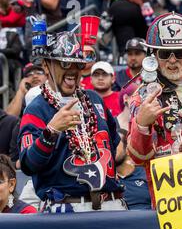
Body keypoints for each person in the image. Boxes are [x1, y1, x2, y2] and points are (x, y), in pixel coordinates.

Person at [19, 30, 126, 213]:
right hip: (66, 208)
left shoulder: (94, 99)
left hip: (111, 205)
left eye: (77, 64)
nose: (72, 70)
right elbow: (28, 164)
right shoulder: (36, 109)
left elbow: (115, 145)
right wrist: (51, 131)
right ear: (46, 65)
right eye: (64, 63)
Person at [127, 12, 182, 208]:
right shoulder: (143, 97)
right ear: (154, 55)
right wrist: (142, 124)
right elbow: (138, 158)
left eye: (180, 53)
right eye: (165, 54)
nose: (172, 61)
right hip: (173, 200)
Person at [116, 128, 151, 210]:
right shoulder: (105, 181)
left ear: (128, 148)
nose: (110, 147)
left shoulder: (147, 174)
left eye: (115, 143)